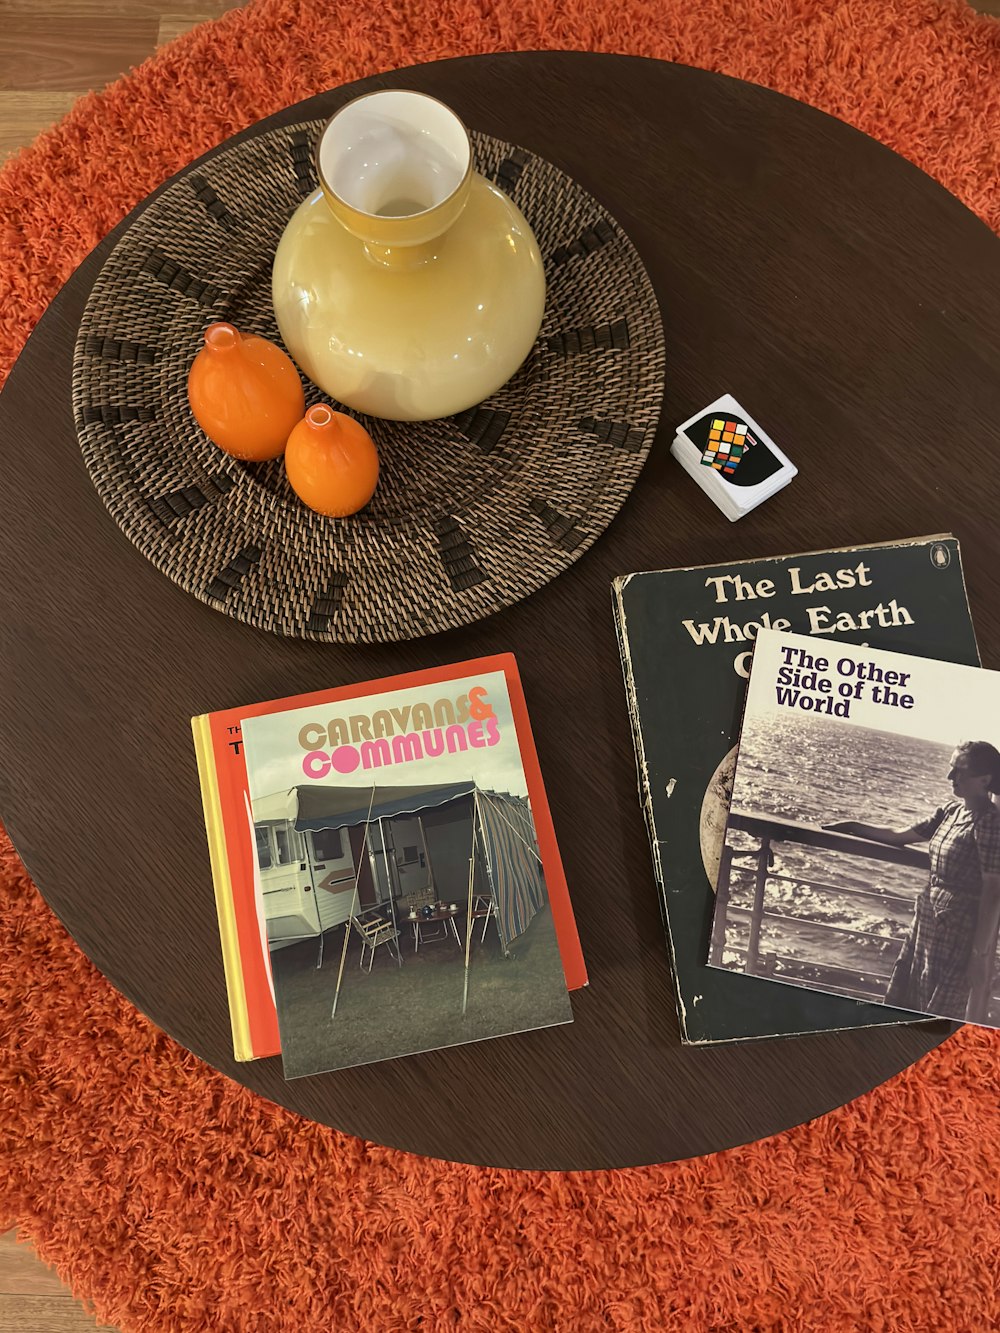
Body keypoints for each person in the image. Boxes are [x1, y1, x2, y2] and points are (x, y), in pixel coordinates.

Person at [824, 741, 1000, 1022]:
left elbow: (993, 889)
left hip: (959, 929)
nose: (950, 777)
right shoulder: (950, 812)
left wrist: (979, 955)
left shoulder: (990, 822)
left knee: (942, 1006)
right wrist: (852, 826)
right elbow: (898, 835)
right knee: (913, 993)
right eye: (950, 768)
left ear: (985, 780)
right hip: (929, 918)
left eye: (959, 771)